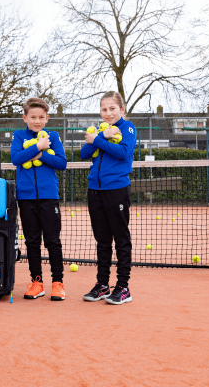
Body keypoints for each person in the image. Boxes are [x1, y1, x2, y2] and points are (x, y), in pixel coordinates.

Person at [80, 91, 137, 305]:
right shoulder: (99, 131)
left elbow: (123, 153)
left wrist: (98, 140)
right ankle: (102, 285)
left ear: (122, 109)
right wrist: (101, 136)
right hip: (95, 190)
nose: (108, 113)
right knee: (102, 240)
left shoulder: (128, 128)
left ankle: (123, 287)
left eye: (112, 108)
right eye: (104, 109)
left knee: (121, 239)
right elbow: (84, 154)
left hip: (117, 190)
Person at [11, 97, 67, 301]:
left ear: (47, 118)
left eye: (41, 117)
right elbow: (16, 158)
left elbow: (61, 163)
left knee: (53, 241)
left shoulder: (53, 136)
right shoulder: (19, 135)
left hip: (48, 197)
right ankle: (37, 283)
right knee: (32, 242)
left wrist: (40, 155)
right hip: (26, 198)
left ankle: (57, 283)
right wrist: (37, 147)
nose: (37, 121)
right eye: (33, 117)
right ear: (25, 117)